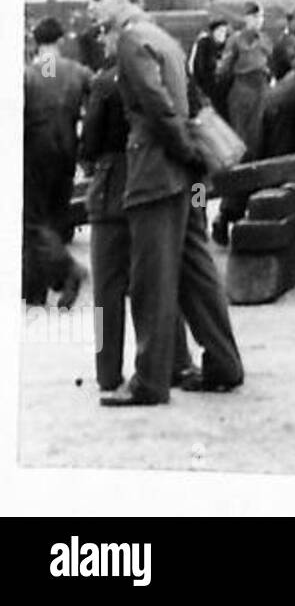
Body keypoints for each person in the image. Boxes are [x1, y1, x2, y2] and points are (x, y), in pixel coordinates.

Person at [87, 0, 244, 407]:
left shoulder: (132, 40)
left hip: (155, 172)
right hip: (183, 179)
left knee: (151, 281)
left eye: (99, 0)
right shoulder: (166, 39)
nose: (91, 8)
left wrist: (184, 148)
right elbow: (191, 99)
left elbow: (158, 106)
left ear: (126, 0)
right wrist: (192, 156)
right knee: (197, 272)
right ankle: (225, 364)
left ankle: (151, 383)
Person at [81, 25, 197, 392]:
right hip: (156, 179)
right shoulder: (163, 72)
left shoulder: (103, 83)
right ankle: (177, 363)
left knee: (107, 292)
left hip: (113, 187)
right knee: (159, 282)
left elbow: (89, 145)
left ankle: (107, 371)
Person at [23, 17, 91, 306]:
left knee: (31, 222)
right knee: (53, 218)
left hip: (35, 152)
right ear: (61, 41)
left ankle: (65, 272)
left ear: (35, 43)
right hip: (67, 151)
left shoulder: (31, 73)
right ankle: (35, 287)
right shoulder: (78, 72)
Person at [212, 3, 271, 245]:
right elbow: (224, 69)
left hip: (262, 89)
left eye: (261, 16)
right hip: (243, 91)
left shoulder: (266, 39)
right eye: (255, 16)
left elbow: (272, 62)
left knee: (257, 148)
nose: (259, 20)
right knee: (241, 150)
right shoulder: (236, 40)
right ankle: (227, 213)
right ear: (246, 17)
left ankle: (242, 207)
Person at [189, 18, 230, 114]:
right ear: (213, 32)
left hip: (220, 89)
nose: (222, 34)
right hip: (206, 88)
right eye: (220, 31)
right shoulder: (204, 44)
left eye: (224, 31)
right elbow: (199, 69)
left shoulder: (226, 45)